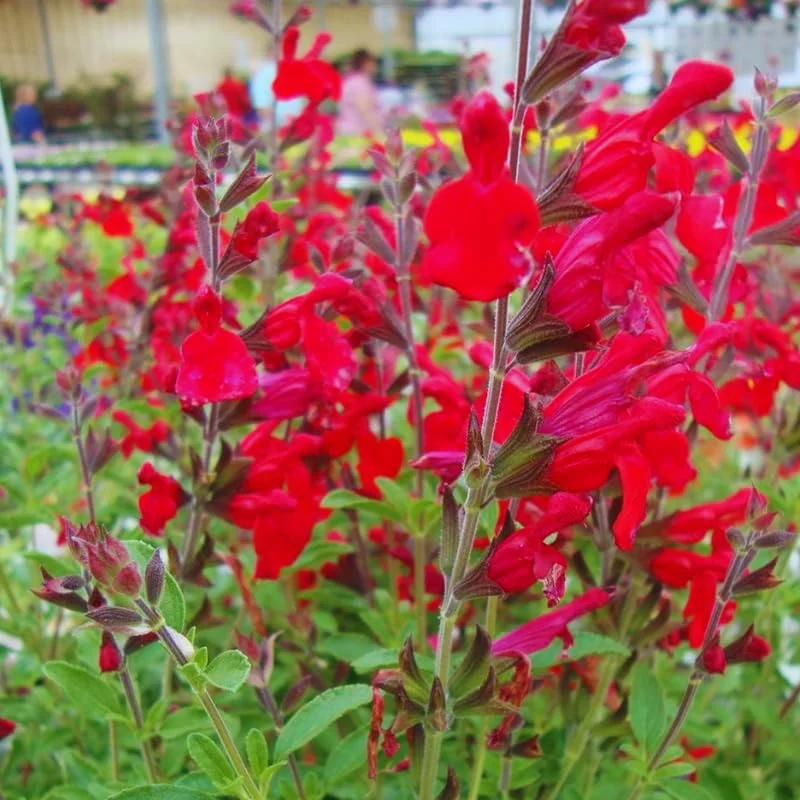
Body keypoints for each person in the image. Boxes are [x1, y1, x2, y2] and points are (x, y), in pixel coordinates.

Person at [250, 49, 304, 131]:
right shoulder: (264, 72)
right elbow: (261, 102)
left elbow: (299, 96)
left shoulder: (290, 68)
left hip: (293, 124)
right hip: (277, 126)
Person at [336, 49, 383, 136]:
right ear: (366, 63)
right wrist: (378, 131)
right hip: (357, 132)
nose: (375, 66)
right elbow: (364, 110)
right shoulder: (360, 83)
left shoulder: (351, 80)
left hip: (351, 131)